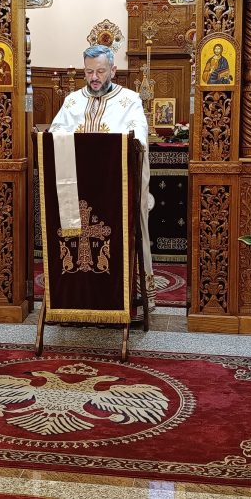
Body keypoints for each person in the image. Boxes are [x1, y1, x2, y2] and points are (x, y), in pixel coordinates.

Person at [49, 45, 155, 307]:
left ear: (113, 70)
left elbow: (139, 139)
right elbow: (54, 135)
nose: (94, 77)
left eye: (100, 71)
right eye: (89, 72)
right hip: (78, 188)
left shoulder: (130, 100)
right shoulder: (72, 101)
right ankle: (77, 297)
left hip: (115, 189)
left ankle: (125, 297)